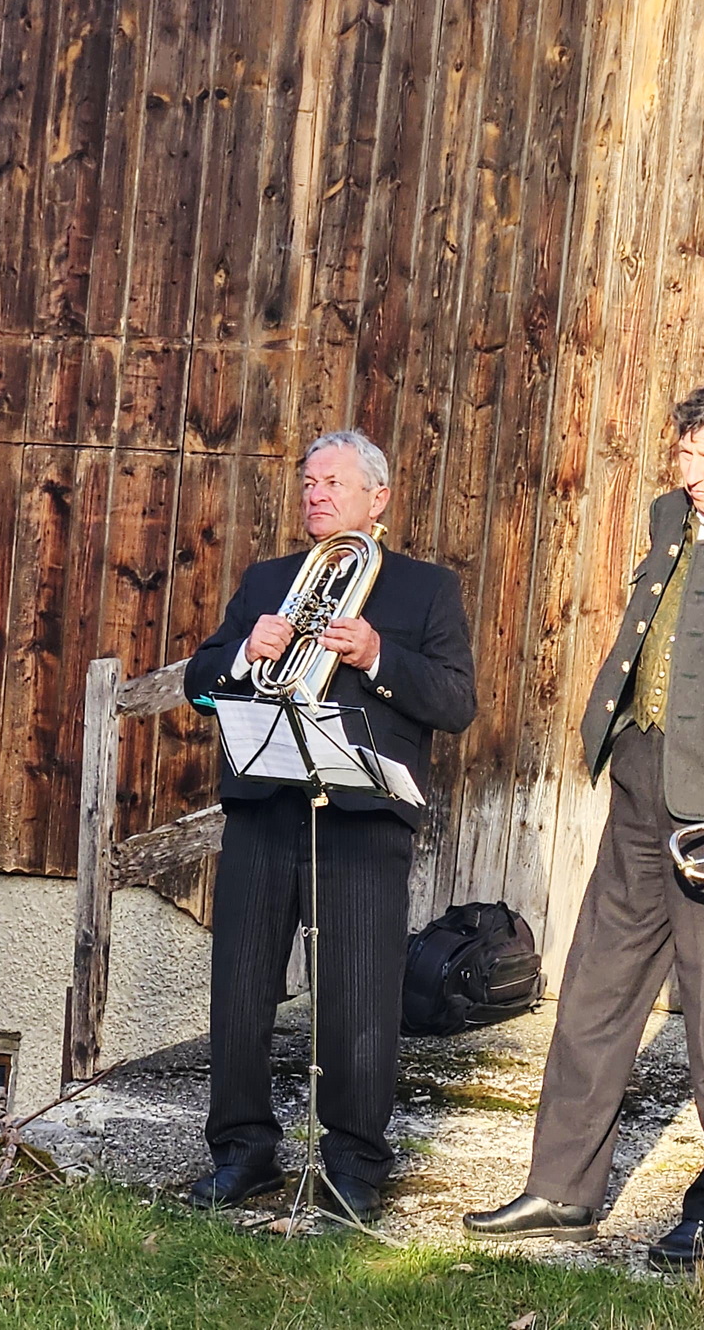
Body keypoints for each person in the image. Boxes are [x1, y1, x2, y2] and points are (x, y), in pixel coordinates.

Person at [463, 378, 704, 1269]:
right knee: (595, 990)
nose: (691, 473)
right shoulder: (667, 517)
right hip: (641, 782)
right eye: (684, 453)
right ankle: (562, 1190)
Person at [180, 430, 477, 1223]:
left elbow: (455, 704)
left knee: (359, 999)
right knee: (240, 990)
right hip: (264, 808)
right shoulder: (269, 580)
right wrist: (243, 653)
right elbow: (199, 685)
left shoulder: (425, 589)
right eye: (309, 482)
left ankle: (354, 1163)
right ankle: (242, 1152)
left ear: (378, 498)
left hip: (362, 817)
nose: (315, 494)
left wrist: (377, 656)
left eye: (333, 483)